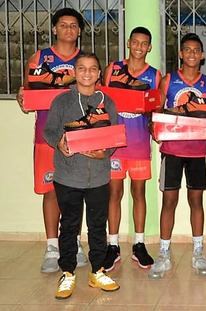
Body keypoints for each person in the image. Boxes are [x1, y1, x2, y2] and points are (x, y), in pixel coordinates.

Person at [16, 7, 88, 273]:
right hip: (47, 135)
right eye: (63, 25)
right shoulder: (40, 57)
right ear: (55, 29)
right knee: (51, 191)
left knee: (76, 191)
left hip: (80, 136)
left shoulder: (86, 60)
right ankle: (52, 246)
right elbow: (27, 94)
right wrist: (21, 95)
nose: (69, 29)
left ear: (80, 31)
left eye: (73, 25)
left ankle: (74, 242)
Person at [43, 52, 120, 299]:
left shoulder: (108, 102)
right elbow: (50, 130)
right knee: (69, 226)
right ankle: (67, 272)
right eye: (82, 68)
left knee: (98, 225)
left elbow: (115, 135)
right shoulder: (61, 102)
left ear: (99, 74)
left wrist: (104, 153)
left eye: (93, 69)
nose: (87, 73)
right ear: (74, 72)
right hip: (68, 177)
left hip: (98, 176)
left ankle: (97, 271)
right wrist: (59, 144)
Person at [148, 33, 206, 279]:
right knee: (169, 201)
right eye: (186, 49)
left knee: (196, 201)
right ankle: (164, 252)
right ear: (180, 54)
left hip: (198, 151)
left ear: (202, 54)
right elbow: (155, 112)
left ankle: (198, 251)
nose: (191, 54)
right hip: (172, 152)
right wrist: (156, 128)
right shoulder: (168, 80)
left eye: (196, 50)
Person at [101, 26, 161, 271]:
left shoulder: (154, 75)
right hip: (114, 144)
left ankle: (139, 244)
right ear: (128, 42)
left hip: (138, 144)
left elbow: (156, 110)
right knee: (114, 194)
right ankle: (112, 245)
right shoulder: (113, 69)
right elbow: (101, 102)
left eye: (143, 43)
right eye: (135, 42)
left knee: (139, 193)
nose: (139, 47)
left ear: (149, 47)